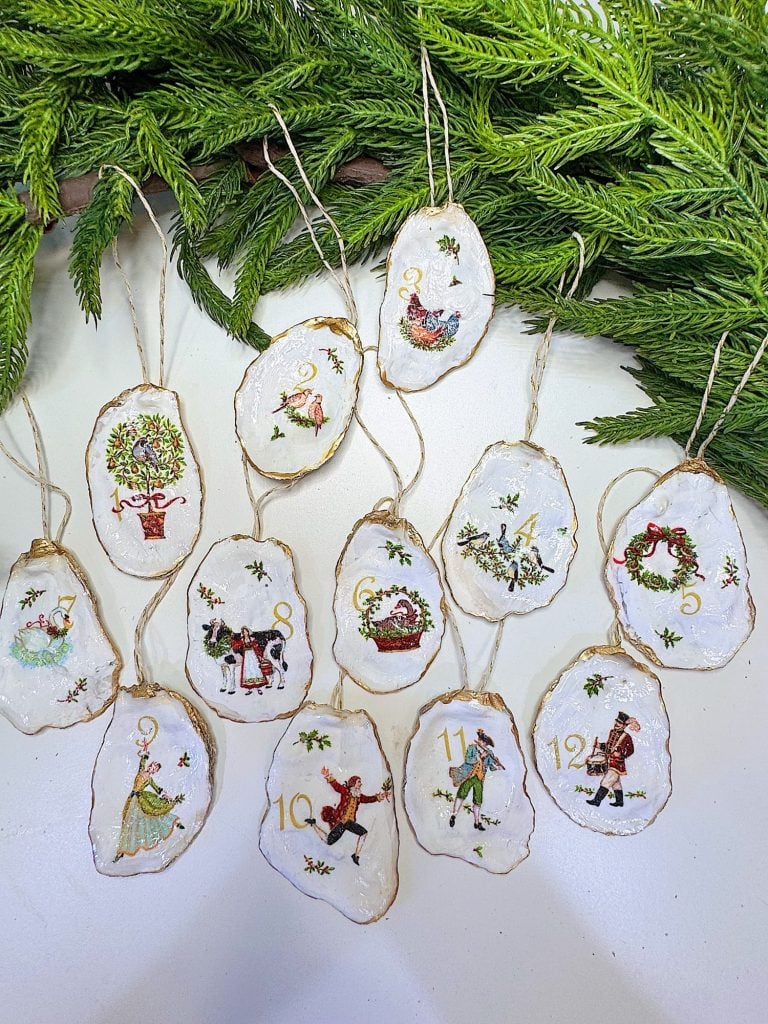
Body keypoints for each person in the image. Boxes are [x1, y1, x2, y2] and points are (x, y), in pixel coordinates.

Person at [304, 767, 388, 865]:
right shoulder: (346, 791)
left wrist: (380, 796)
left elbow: (368, 799)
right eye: (359, 782)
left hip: (349, 823)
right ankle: (313, 824)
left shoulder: (358, 796)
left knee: (364, 833)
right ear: (353, 783)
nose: (360, 784)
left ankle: (356, 855)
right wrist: (328, 776)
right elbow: (337, 786)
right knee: (328, 841)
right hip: (342, 821)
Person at [113, 754, 185, 861]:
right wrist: (144, 755)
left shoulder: (149, 780)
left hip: (141, 800)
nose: (152, 768)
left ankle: (173, 822)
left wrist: (166, 795)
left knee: (146, 818)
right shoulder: (141, 771)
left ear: (155, 772)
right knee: (129, 823)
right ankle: (122, 850)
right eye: (152, 766)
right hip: (132, 799)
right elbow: (142, 762)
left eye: (154, 769)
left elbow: (157, 789)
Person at [448, 728, 505, 831]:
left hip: (479, 779)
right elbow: (468, 760)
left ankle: (477, 822)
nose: (481, 743)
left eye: (484, 742)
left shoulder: (489, 753)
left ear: (487, 744)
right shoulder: (472, 748)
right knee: (462, 794)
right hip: (469, 775)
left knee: (478, 800)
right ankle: (454, 815)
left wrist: (497, 766)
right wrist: (479, 757)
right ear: (478, 739)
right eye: (481, 740)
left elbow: (490, 766)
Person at [585, 711, 641, 808]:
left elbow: (631, 750)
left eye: (619, 723)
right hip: (609, 761)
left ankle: (596, 801)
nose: (616, 724)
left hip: (617, 764)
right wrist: (599, 745)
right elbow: (608, 747)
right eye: (616, 722)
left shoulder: (626, 737)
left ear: (624, 726)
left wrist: (621, 754)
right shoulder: (612, 732)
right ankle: (619, 802)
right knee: (615, 784)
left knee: (606, 782)